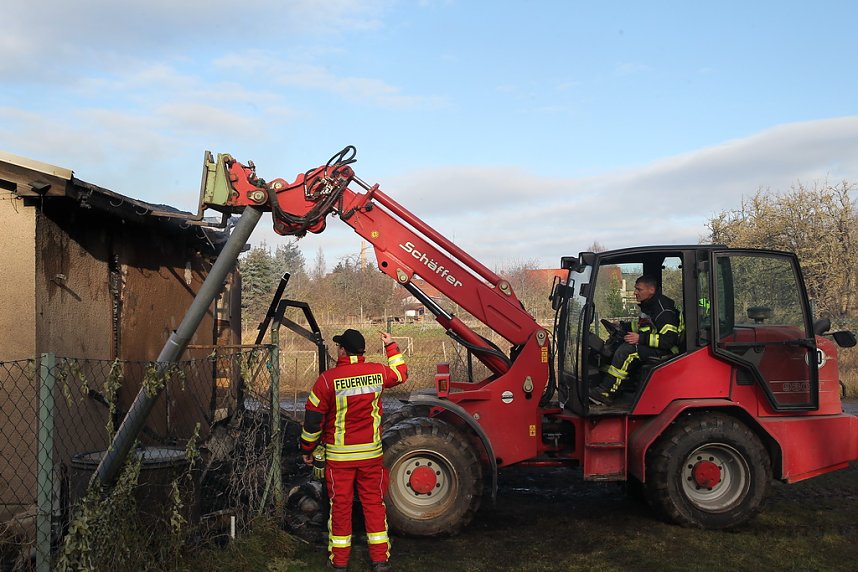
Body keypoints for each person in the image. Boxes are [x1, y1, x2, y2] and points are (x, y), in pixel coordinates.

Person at [299, 328, 408, 572]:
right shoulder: (377, 372)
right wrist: (391, 346)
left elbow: (313, 421)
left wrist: (307, 448)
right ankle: (380, 561)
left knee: (340, 507)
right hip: (371, 456)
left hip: (340, 458)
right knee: (373, 504)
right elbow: (401, 373)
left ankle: (339, 563)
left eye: (338, 346)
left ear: (343, 350)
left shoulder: (328, 379)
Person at [589, 275, 680, 406]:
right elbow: (642, 325)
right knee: (615, 345)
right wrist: (622, 326)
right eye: (635, 289)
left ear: (651, 290)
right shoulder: (649, 305)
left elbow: (669, 340)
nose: (635, 292)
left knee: (627, 351)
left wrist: (640, 338)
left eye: (639, 289)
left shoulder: (663, 310)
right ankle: (612, 386)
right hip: (655, 345)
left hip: (667, 350)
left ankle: (606, 392)